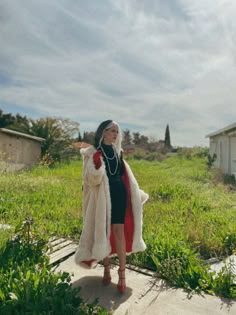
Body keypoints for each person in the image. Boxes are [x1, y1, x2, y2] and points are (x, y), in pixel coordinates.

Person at [74, 120, 148, 293]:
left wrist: (134, 195)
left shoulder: (117, 152)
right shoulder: (92, 153)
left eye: (117, 131)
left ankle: (122, 275)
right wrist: (97, 166)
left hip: (120, 195)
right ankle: (107, 269)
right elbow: (90, 180)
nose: (116, 134)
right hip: (103, 200)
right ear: (104, 132)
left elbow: (124, 177)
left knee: (119, 232)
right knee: (104, 233)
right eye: (112, 130)